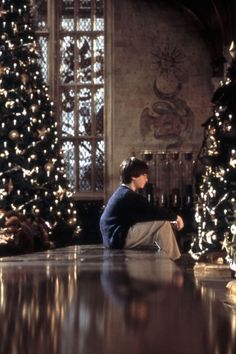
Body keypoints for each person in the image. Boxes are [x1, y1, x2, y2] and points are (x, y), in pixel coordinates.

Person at [99, 156, 184, 260]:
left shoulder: (122, 193)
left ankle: (168, 262)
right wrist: (175, 217)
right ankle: (174, 261)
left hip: (114, 238)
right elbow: (154, 211)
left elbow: (145, 216)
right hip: (118, 239)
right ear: (134, 176)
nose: (146, 179)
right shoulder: (128, 195)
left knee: (163, 226)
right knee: (163, 223)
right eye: (144, 175)